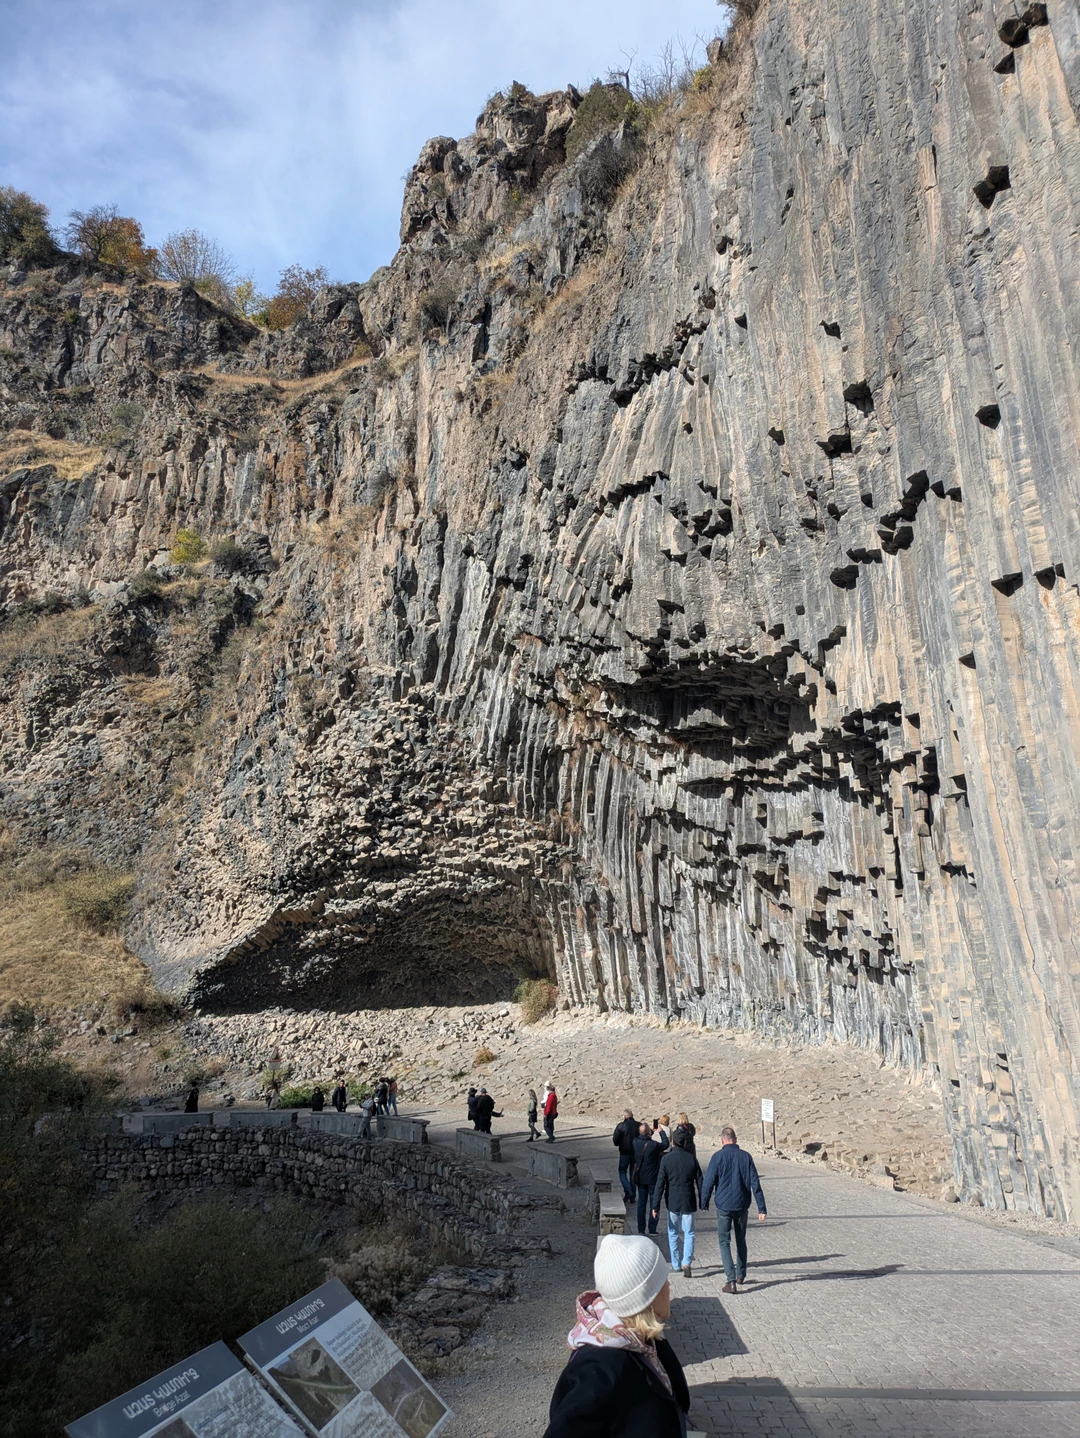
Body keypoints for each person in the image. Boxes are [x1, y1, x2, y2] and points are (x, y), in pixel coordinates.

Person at [543, 1233, 691, 1437]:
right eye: (663, 1279)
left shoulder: (640, 1340)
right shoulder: (600, 1370)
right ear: (647, 1295)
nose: (669, 1286)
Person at [700, 1125, 768, 1294]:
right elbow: (755, 1183)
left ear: (722, 1141)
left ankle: (730, 1280)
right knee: (741, 1240)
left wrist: (704, 1201)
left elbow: (708, 1181)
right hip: (741, 1205)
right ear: (735, 1140)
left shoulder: (717, 1157)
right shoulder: (746, 1157)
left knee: (724, 1242)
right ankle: (741, 1275)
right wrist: (761, 1207)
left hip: (723, 1206)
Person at [651, 1126, 703, 1278]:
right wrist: (703, 1199)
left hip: (672, 1200)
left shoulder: (666, 1159)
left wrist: (655, 1205)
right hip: (688, 1199)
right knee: (689, 1232)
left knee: (672, 1231)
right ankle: (686, 1261)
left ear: (673, 1142)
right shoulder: (692, 1159)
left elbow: (660, 1184)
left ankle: (675, 1263)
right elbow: (700, 1181)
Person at [632, 1122, 662, 1235]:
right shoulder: (653, 1145)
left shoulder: (635, 1142)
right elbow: (665, 1144)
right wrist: (660, 1131)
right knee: (654, 1204)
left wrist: (649, 1132)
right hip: (653, 1179)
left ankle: (641, 1229)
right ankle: (652, 1229)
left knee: (641, 1204)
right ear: (649, 1132)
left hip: (640, 1178)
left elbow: (640, 1135)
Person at [612, 1109, 639, 1202]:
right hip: (636, 1153)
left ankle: (628, 1190)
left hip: (624, 1153)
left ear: (624, 1116)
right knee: (633, 1174)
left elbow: (615, 1141)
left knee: (622, 1171)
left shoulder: (620, 1126)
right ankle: (633, 1196)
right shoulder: (639, 1125)